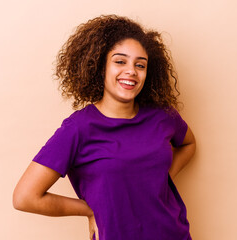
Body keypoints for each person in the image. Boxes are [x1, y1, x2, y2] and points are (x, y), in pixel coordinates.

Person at [13, 14, 196, 240]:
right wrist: (88, 210)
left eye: (140, 65)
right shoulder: (79, 128)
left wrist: (161, 178)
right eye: (120, 61)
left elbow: (188, 143)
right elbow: (25, 197)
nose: (131, 71)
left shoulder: (163, 116)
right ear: (100, 67)